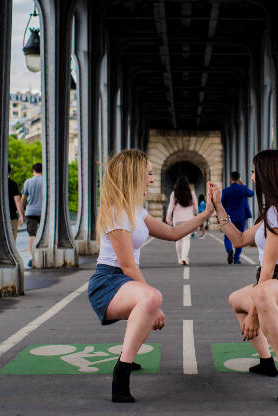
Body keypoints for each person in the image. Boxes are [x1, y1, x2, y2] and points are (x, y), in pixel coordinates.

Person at [88, 149, 213, 403]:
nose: (152, 180)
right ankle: (121, 374)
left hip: (122, 281)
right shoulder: (115, 211)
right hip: (108, 282)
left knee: (149, 301)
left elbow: (172, 233)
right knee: (151, 299)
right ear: (134, 176)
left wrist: (206, 213)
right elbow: (127, 266)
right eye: (148, 174)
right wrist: (153, 305)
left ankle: (127, 357)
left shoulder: (136, 211)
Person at [209, 149, 278, 402]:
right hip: (273, 282)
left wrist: (254, 315)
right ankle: (266, 361)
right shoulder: (273, 211)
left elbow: (268, 268)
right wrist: (218, 206)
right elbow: (240, 239)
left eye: (255, 171)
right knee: (236, 299)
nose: (252, 177)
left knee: (260, 294)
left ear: (267, 174)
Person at [221, 171, 254, 264]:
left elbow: (222, 204)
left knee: (227, 236)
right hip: (241, 217)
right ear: (239, 179)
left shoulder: (226, 191)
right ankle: (236, 258)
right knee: (240, 237)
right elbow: (251, 193)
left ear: (230, 179)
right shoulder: (243, 189)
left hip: (229, 217)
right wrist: (242, 185)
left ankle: (229, 250)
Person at [165, 175, 198, 265]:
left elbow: (171, 205)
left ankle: (179, 258)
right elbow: (195, 207)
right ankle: (184, 257)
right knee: (186, 239)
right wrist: (196, 216)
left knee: (178, 239)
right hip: (188, 219)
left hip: (177, 219)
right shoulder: (191, 193)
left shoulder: (174, 193)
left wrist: (168, 216)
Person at [21, 163, 43, 267]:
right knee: (44, 233)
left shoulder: (28, 182)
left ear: (33, 170)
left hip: (31, 211)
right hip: (43, 211)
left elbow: (22, 199)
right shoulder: (46, 181)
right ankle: (42, 255)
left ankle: (32, 256)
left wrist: (21, 214)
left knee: (32, 234)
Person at [8, 165, 24, 242]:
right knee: (11, 241)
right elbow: (17, 200)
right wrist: (21, 215)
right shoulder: (12, 184)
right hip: (11, 217)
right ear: (10, 172)